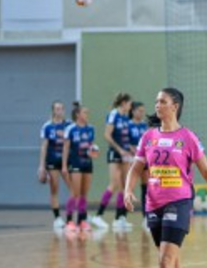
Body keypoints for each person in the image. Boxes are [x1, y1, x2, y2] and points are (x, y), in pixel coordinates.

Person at [125, 88, 207, 268]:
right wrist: (127, 190)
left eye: (162, 101)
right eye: (156, 101)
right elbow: (136, 167)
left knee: (165, 262)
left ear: (175, 106)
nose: (157, 105)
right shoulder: (148, 136)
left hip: (178, 202)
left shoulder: (187, 137)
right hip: (153, 203)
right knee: (171, 262)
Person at [61, 103, 98, 234]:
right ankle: (69, 221)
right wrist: (64, 166)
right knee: (74, 193)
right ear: (78, 115)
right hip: (75, 164)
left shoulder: (91, 128)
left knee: (84, 194)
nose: (87, 115)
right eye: (85, 112)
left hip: (87, 163)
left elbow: (91, 146)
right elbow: (66, 148)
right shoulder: (70, 129)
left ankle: (82, 220)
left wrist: (94, 152)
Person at [99, 92, 134, 230]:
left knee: (124, 186)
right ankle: (98, 215)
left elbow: (125, 137)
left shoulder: (126, 117)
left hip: (124, 154)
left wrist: (130, 149)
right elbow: (107, 135)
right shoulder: (114, 114)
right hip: (114, 153)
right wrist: (119, 149)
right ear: (123, 103)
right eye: (130, 104)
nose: (131, 106)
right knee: (114, 184)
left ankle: (119, 218)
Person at [37, 100, 72, 231]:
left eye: (61, 108)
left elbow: (73, 142)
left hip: (66, 161)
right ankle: (57, 218)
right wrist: (42, 166)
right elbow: (44, 146)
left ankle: (76, 216)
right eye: (57, 109)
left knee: (74, 189)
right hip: (52, 161)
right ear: (53, 111)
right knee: (54, 189)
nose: (59, 111)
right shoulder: (47, 126)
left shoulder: (69, 125)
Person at [128, 101, 150, 213]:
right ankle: (121, 215)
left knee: (145, 186)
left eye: (143, 111)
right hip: (130, 158)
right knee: (128, 185)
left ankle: (145, 215)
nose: (142, 113)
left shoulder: (144, 126)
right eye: (139, 111)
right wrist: (133, 150)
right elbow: (124, 141)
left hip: (143, 158)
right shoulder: (127, 125)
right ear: (133, 111)